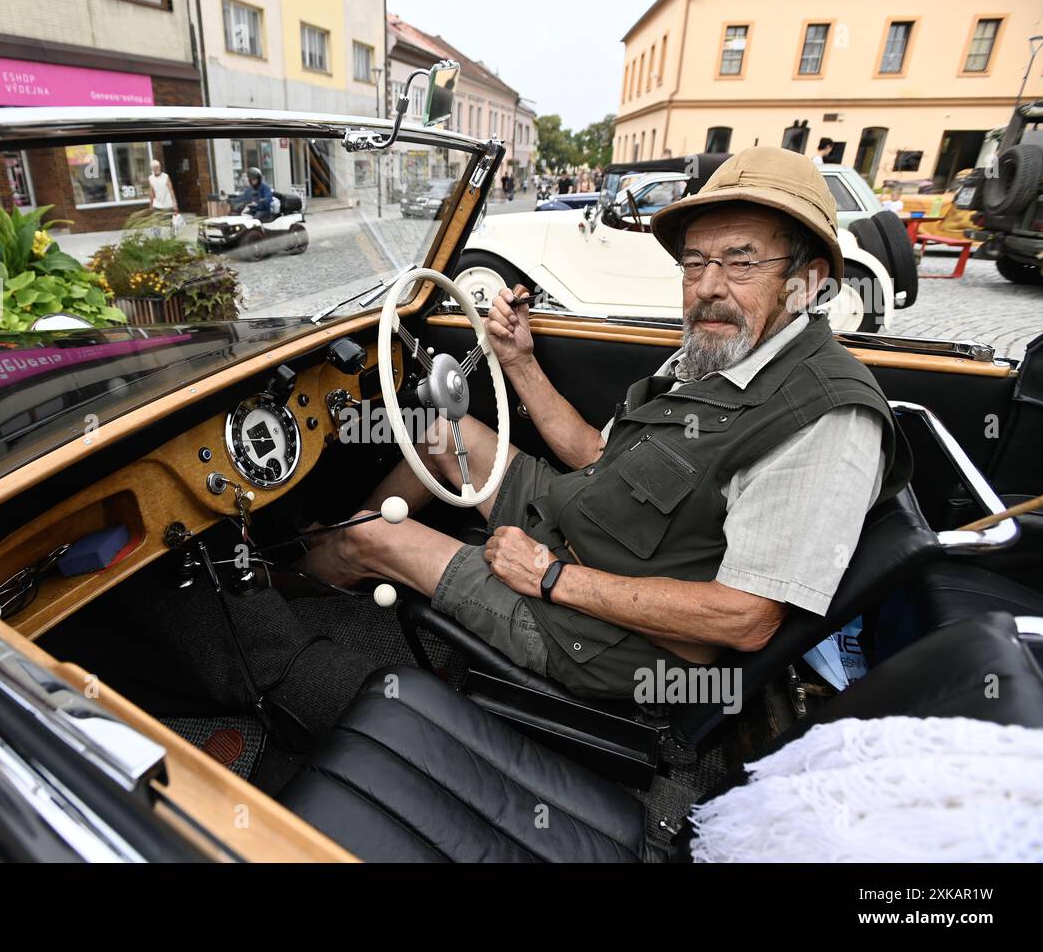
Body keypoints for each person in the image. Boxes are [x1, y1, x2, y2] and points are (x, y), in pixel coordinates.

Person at [300, 146, 911, 701]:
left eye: (741, 263)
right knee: (440, 435)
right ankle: (334, 558)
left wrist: (550, 576)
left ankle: (289, 588)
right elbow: (594, 452)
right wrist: (519, 360)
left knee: (370, 538)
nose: (708, 288)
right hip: (579, 523)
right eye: (695, 263)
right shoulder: (724, 348)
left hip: (605, 637)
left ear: (805, 285)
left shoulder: (827, 418)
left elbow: (745, 620)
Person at [147, 159, 182, 234]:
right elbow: (151, 192)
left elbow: (171, 190)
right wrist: (151, 205)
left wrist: (175, 204)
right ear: (152, 169)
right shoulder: (150, 178)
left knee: (171, 223)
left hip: (168, 204)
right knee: (155, 223)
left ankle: (173, 239)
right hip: (157, 204)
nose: (157, 168)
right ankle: (157, 240)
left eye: (158, 167)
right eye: (155, 167)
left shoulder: (165, 176)